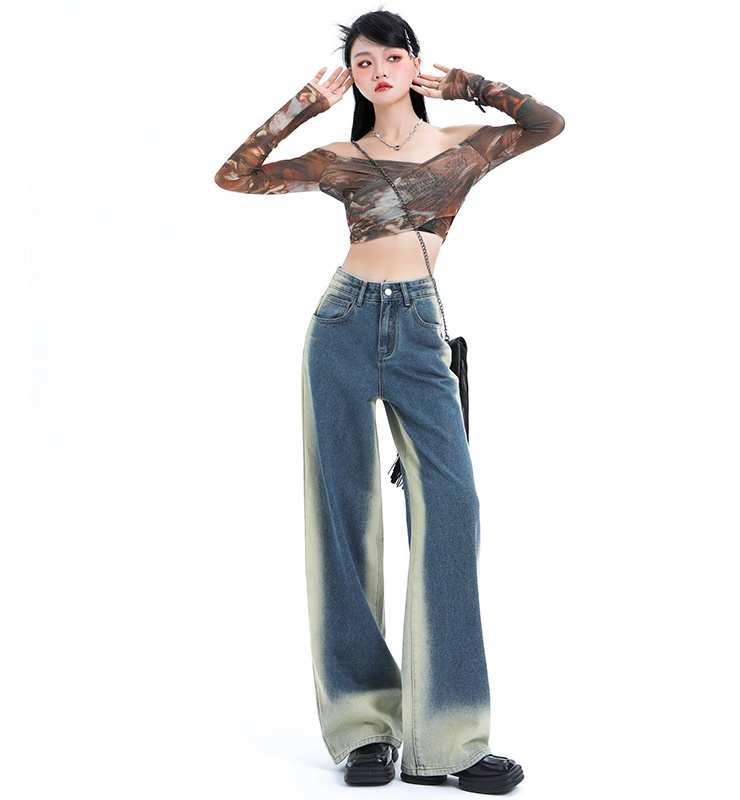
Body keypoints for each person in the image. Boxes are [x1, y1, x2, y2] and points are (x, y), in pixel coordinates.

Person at [214, 9, 564, 793]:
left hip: (420, 332)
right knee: (344, 516)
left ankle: (450, 741)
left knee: (453, 510)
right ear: (354, 77)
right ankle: (363, 729)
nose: (378, 71)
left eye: (391, 56)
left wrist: (471, 84)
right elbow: (235, 174)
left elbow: (547, 123)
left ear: (415, 64)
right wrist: (304, 104)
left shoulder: (463, 147)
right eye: (363, 61)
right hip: (340, 325)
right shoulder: (340, 157)